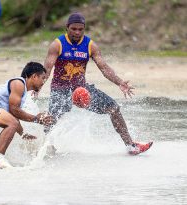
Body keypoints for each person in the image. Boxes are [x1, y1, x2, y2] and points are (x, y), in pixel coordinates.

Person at [43, 12, 152, 155]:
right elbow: (47, 69)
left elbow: (104, 67)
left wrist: (119, 82)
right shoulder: (57, 45)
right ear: (67, 28)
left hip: (81, 89)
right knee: (51, 120)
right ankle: (45, 147)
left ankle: (131, 146)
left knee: (114, 108)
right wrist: (37, 87)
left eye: (80, 29)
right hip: (60, 89)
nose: (77, 32)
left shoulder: (90, 45)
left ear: (84, 29)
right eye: (74, 29)